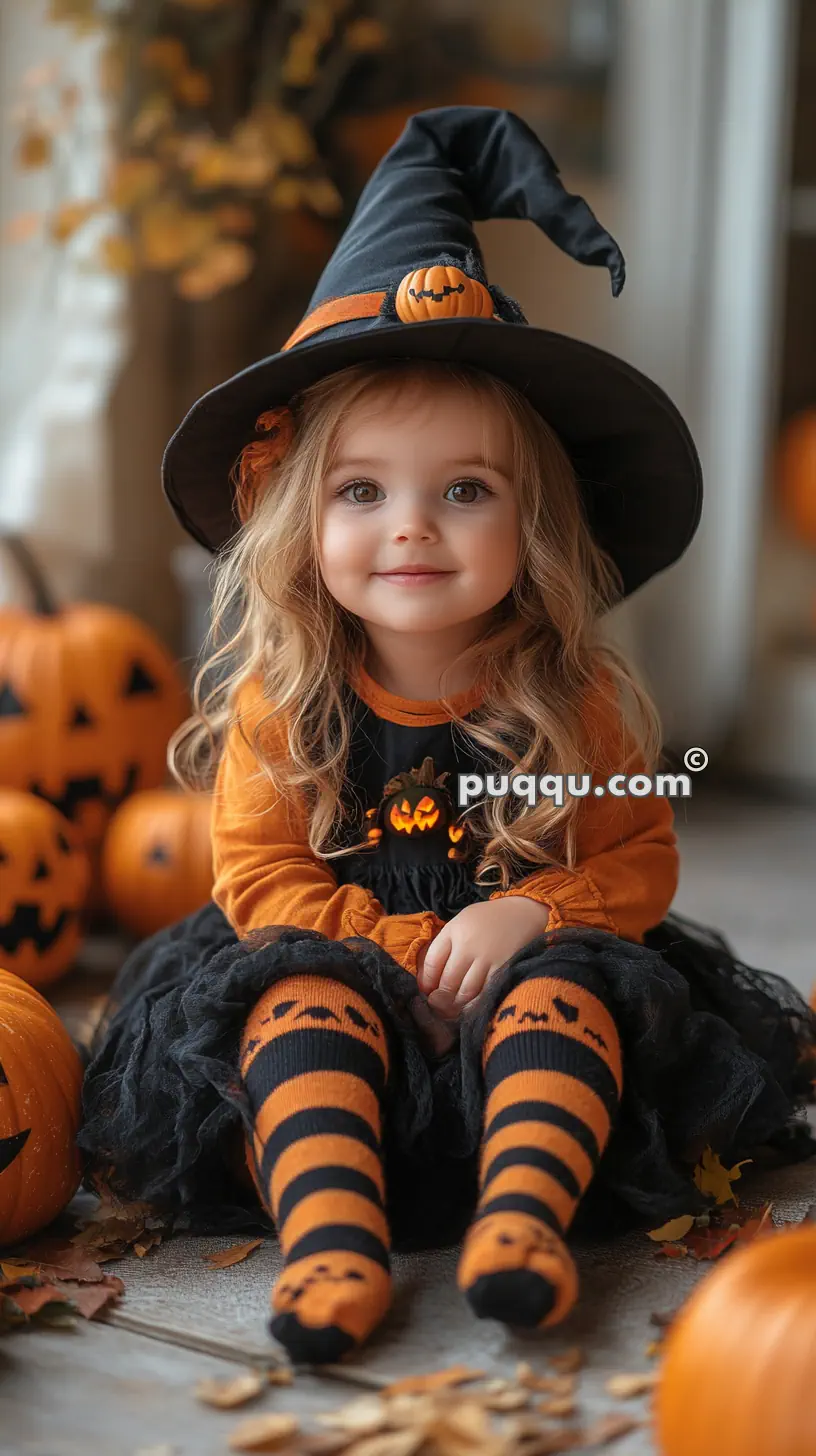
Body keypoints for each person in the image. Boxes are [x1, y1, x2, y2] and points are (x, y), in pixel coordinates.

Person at [78, 107, 816, 1367]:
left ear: (533, 519)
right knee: (290, 997)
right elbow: (261, 880)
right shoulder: (286, 702)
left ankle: (520, 1222)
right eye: (362, 490)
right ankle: (330, 1237)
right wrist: (397, 950)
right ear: (298, 515)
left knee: (582, 988)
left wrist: (531, 913)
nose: (410, 526)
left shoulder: (569, 694)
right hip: (338, 965)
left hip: (515, 988)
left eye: (463, 489)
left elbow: (638, 853)